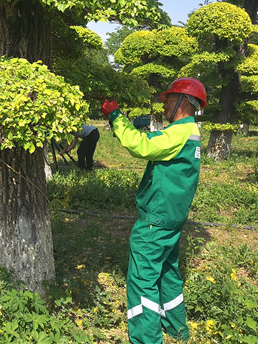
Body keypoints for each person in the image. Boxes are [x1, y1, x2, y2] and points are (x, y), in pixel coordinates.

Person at [100, 77, 207, 344]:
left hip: (155, 220)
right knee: (168, 272)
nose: (164, 104)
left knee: (142, 279)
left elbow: (142, 146)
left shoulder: (180, 132)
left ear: (184, 101)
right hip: (172, 218)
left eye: (169, 99)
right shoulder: (190, 131)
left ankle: (146, 339)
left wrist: (116, 116)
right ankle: (177, 330)